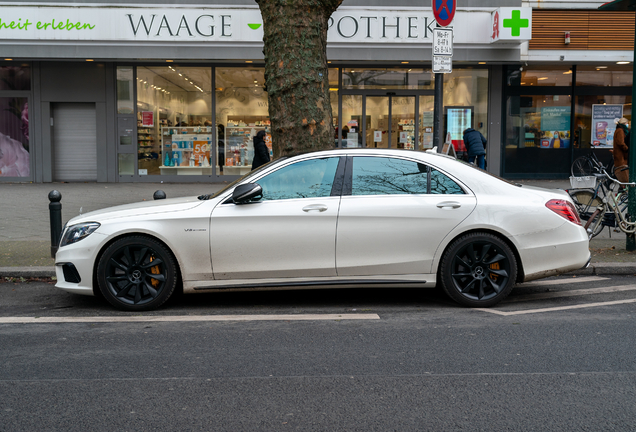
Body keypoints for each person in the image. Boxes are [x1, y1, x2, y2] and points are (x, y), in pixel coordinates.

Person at [613, 117, 630, 184]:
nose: (627, 124)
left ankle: (622, 190)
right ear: (623, 123)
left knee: (622, 172)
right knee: (623, 172)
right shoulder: (620, 130)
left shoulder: (620, 130)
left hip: (621, 155)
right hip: (621, 155)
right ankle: (622, 190)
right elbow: (620, 142)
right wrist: (627, 149)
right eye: (626, 123)